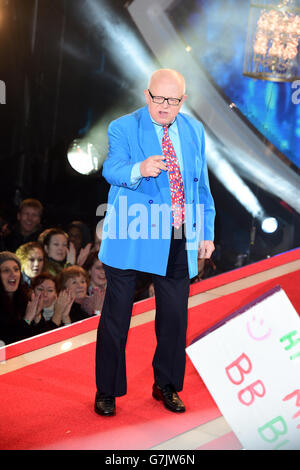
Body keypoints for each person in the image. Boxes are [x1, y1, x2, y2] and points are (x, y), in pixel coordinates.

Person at [94, 69, 215, 417]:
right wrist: (139, 169)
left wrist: (206, 230)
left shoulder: (193, 130)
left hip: (178, 236)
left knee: (175, 318)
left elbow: (201, 185)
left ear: (183, 101)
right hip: (134, 234)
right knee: (117, 318)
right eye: (157, 98)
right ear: (146, 95)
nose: (163, 106)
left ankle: (167, 385)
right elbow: (111, 169)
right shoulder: (123, 127)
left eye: (172, 100)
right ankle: (107, 390)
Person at [0, 251, 41, 345]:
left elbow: (40, 340)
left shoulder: (25, 298)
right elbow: (7, 345)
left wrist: (37, 317)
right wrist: (27, 319)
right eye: (6, 270)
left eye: (16, 269)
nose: (13, 274)